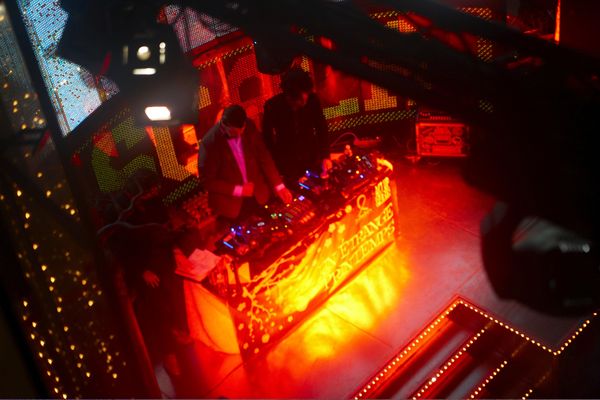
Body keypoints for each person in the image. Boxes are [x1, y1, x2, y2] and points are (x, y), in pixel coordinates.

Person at [198, 104, 292, 221]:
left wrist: (279, 185)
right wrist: (239, 190)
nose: (240, 135)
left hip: (259, 194)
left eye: (242, 130)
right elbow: (207, 182)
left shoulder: (249, 125)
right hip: (232, 206)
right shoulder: (209, 143)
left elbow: (264, 156)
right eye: (235, 133)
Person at [262, 67, 331, 184]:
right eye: (299, 100)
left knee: (321, 186)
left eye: (305, 98)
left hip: (312, 156)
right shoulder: (272, 106)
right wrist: (277, 165)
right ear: (288, 96)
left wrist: (325, 156)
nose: (303, 103)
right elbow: (267, 139)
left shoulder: (313, 100)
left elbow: (321, 128)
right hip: (287, 161)